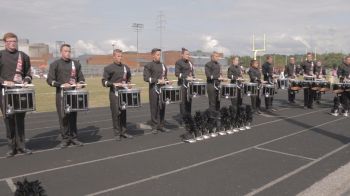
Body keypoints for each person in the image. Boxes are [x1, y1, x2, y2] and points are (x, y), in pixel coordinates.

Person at [47, 43, 86, 148]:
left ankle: (74, 138)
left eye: (69, 51)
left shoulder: (76, 64)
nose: (68, 53)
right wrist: (61, 85)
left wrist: (80, 84)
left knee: (73, 117)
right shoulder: (55, 64)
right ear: (61, 52)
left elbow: (81, 79)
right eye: (65, 51)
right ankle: (65, 139)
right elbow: (49, 80)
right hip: (61, 95)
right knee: (63, 117)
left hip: (73, 95)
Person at [0, 32, 32, 157]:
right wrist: (4, 82)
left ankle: (22, 146)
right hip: (5, 92)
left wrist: (26, 80)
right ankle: (11, 147)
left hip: (20, 92)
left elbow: (28, 73)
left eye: (14, 41)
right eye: (9, 41)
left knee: (20, 119)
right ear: (5, 43)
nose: (12, 43)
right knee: (8, 120)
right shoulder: (1, 55)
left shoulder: (23, 56)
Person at [102, 49, 133, 141]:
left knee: (123, 112)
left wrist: (129, 83)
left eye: (121, 56)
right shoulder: (108, 68)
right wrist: (113, 84)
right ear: (114, 56)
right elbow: (104, 82)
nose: (120, 58)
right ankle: (117, 133)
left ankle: (124, 132)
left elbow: (129, 78)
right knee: (116, 113)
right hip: (114, 93)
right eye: (118, 56)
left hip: (124, 93)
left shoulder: (126, 67)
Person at [143, 48, 170, 134]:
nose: (159, 56)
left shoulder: (163, 65)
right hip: (153, 89)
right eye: (158, 55)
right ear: (153, 55)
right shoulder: (148, 65)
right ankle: (154, 127)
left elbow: (165, 77)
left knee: (162, 107)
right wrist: (157, 81)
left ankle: (161, 125)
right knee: (154, 108)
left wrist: (167, 81)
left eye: (160, 55)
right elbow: (146, 78)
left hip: (163, 89)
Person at [175, 48, 194, 119]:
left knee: (189, 101)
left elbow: (192, 73)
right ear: (182, 55)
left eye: (188, 54)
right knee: (182, 102)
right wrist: (185, 77)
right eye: (186, 54)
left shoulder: (190, 63)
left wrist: (193, 77)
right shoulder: (178, 62)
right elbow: (177, 74)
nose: (188, 56)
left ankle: (189, 116)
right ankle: (183, 117)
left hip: (190, 85)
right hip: (182, 85)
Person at [205, 51, 223, 121]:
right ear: (212, 57)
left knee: (218, 101)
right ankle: (212, 116)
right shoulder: (207, 64)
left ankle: (217, 114)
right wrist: (218, 77)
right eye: (216, 56)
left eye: (218, 56)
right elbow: (209, 76)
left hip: (218, 85)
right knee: (212, 102)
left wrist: (222, 78)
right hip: (211, 85)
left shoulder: (218, 64)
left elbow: (220, 74)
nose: (218, 58)